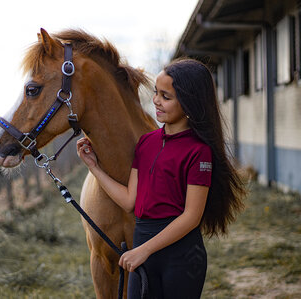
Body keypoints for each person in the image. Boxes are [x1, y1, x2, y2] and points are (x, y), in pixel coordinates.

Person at [77, 58, 246, 299]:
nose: (156, 101)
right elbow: (128, 201)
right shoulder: (146, 143)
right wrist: (94, 168)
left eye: (166, 97)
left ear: (189, 103)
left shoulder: (199, 152)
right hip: (143, 251)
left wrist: (143, 250)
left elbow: (191, 217)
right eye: (156, 93)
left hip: (181, 258)